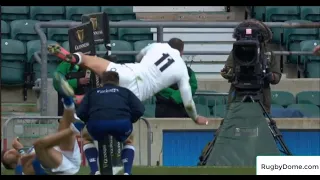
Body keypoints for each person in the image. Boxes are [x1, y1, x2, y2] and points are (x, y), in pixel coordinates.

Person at [48, 38, 209, 175]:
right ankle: (126, 172)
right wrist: (195, 117)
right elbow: (187, 102)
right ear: (181, 52)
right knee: (128, 139)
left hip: (128, 71)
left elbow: (140, 54)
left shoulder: (160, 46)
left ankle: (75, 59)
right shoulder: (182, 69)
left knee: (89, 60)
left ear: (169, 44)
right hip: (138, 91)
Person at [1, 80, 81, 175]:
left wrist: (21, 150)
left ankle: (69, 104)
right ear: (12, 166)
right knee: (39, 145)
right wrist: (21, 150)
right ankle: (75, 128)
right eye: (8, 155)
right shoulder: (20, 170)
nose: (11, 152)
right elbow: (26, 163)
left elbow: (27, 157)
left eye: (9, 151)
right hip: (64, 168)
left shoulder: (27, 152)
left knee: (63, 125)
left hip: (65, 153)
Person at [74, 71, 145, 175]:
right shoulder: (125, 91)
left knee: (86, 138)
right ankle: (127, 172)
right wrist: (130, 120)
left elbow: (80, 113)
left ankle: (94, 170)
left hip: (96, 124)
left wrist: (88, 121)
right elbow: (140, 109)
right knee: (129, 141)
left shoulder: (93, 93)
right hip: (122, 124)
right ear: (118, 82)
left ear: (102, 82)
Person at [220, 19, 282, 114]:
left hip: (261, 95)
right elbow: (228, 70)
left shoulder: (268, 54)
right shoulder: (236, 52)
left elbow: (277, 77)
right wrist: (228, 73)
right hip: (238, 93)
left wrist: (271, 76)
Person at [155, 38, 198, 118]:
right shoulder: (189, 71)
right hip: (183, 110)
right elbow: (193, 86)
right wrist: (179, 95)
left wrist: (174, 96)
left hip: (164, 111)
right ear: (182, 51)